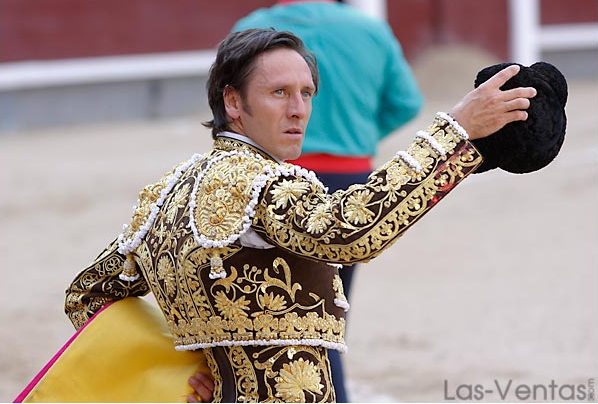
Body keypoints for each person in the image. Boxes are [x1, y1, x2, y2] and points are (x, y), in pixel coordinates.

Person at [64, 28, 536, 402]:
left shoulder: (166, 194)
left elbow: (86, 296)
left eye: (307, 93)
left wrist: (183, 367)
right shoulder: (266, 183)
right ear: (233, 102)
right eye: (279, 93)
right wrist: (455, 133)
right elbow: (350, 233)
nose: (299, 110)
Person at [232, 2, 423, 400]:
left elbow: (230, 109)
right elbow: (405, 102)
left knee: (278, 314)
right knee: (329, 310)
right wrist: (359, 137)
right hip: (350, 180)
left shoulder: (252, 27)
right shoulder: (368, 30)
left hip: (270, 179)